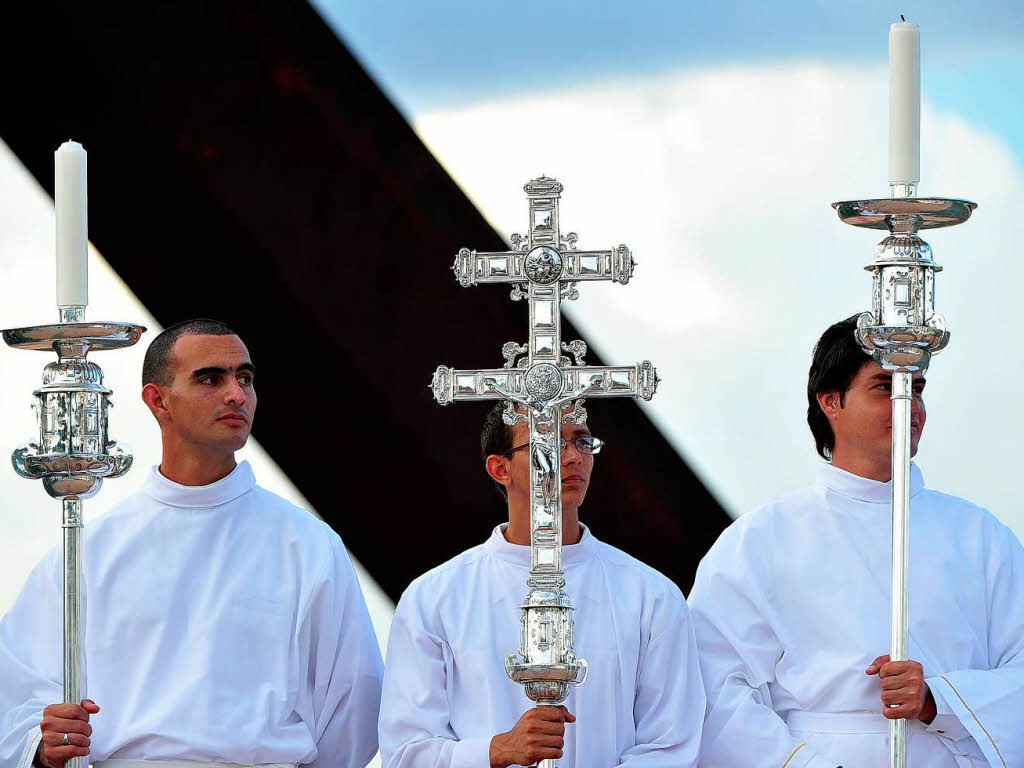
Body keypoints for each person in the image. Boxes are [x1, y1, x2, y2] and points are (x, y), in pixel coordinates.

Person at [0, 318, 383, 768]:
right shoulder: (88, 552)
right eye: (210, 378)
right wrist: (44, 746)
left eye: (245, 378)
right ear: (157, 400)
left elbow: (355, 701)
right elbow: (16, 696)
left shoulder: (308, 545)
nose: (237, 395)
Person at [688, 315, 1024, 768]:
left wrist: (937, 699)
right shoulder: (759, 540)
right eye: (886, 386)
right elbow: (714, 688)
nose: (910, 405)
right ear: (831, 401)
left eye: (918, 388)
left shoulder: (980, 536)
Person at [379, 403, 705, 768]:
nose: (572, 458)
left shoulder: (652, 597)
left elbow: (671, 747)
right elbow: (407, 751)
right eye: (549, 442)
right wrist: (497, 750)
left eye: (582, 442)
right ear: (500, 468)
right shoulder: (434, 599)